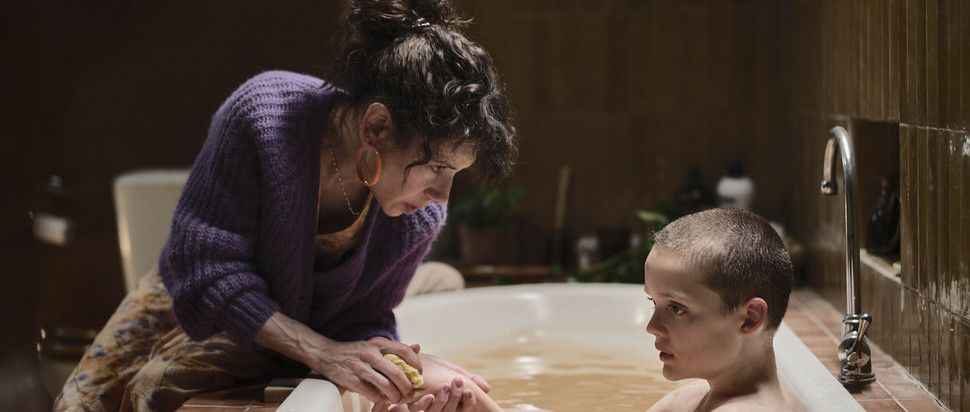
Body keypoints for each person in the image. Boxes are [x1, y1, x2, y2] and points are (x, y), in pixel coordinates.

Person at [54, 0, 516, 410]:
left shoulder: (419, 215)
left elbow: (364, 317)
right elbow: (205, 268)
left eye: (454, 175)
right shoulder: (265, 118)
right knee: (85, 402)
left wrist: (399, 380)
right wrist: (321, 352)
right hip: (203, 293)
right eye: (435, 169)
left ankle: (433, 284)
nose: (442, 198)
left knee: (162, 386)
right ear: (376, 127)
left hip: (309, 322)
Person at [643, 208, 794, 412]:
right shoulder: (692, 397)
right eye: (653, 301)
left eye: (676, 308)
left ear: (750, 319)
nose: (652, 327)